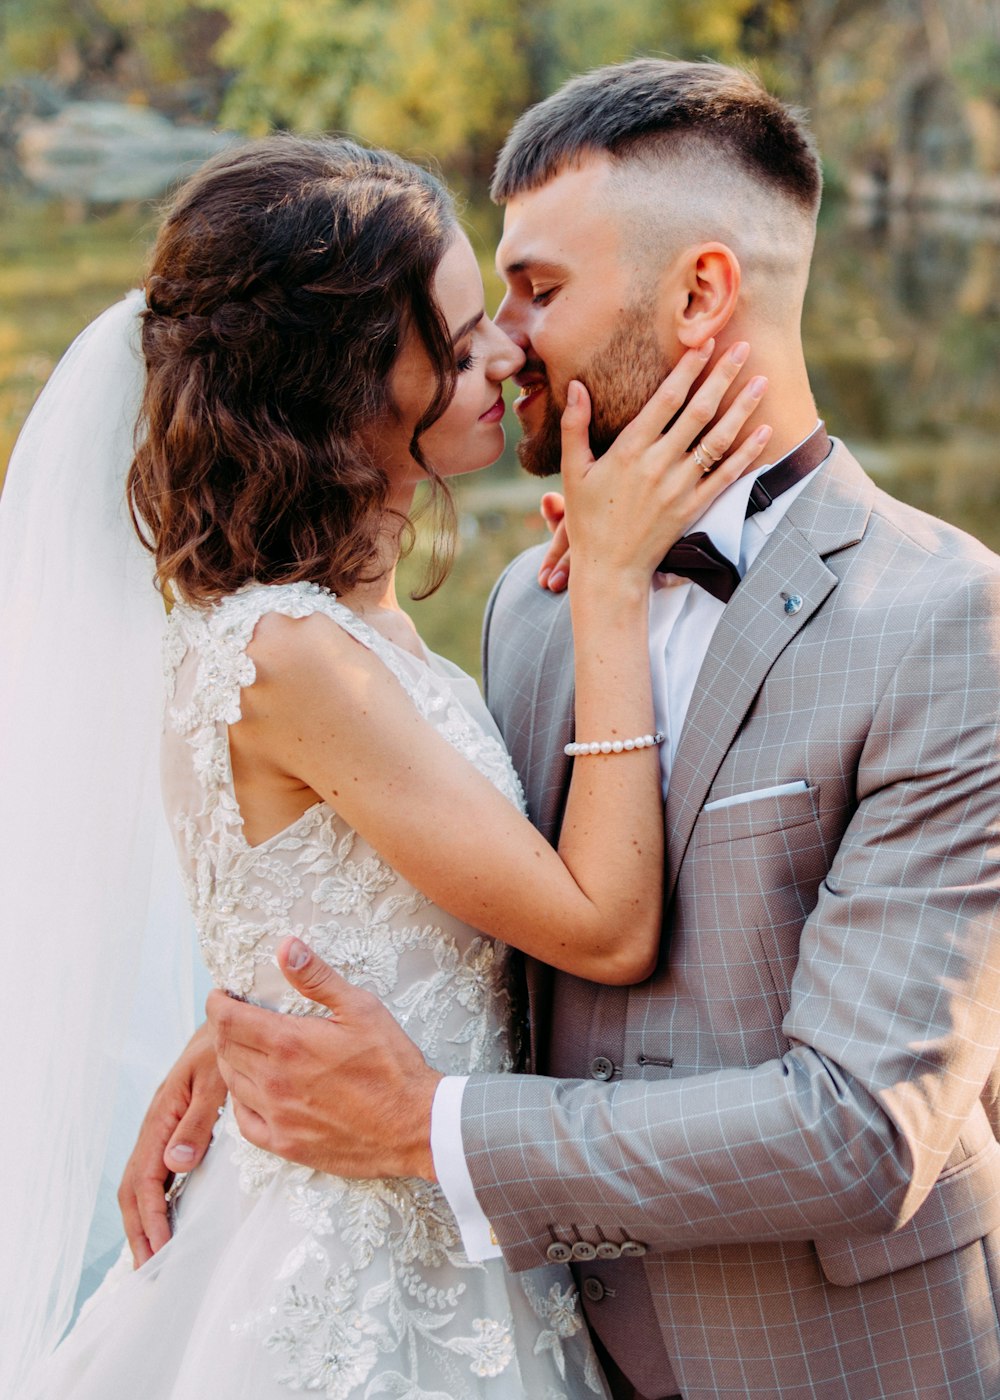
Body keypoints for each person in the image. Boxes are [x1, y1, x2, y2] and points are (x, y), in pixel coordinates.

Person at [130, 60, 1000, 1400]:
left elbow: (865, 1132)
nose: (507, 344)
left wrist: (431, 1128)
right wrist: (252, 1028)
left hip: (844, 1362)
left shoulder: (947, 620)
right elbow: (478, 914)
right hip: (530, 1339)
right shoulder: (530, 616)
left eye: (537, 292)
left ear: (702, 294)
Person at [2, 133, 771, 1398]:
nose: (506, 357)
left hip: (435, 1214)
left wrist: (236, 1017)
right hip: (355, 1275)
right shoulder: (292, 653)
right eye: (458, 343)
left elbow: (344, 901)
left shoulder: (339, 617)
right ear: (337, 384)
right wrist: (616, 591)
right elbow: (607, 922)